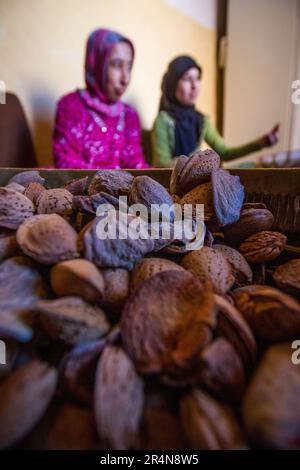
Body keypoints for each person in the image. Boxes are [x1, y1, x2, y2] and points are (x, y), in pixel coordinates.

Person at [152, 55, 279, 167]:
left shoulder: (201, 121)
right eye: (187, 79)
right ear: (172, 84)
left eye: (197, 78)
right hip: (176, 184)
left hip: (199, 178)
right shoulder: (163, 121)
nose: (194, 86)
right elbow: (162, 164)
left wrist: (260, 143)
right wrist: (200, 164)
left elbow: (225, 153)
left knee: (255, 166)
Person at [53, 28, 148, 169]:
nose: (126, 79)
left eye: (129, 67)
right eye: (116, 65)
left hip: (122, 190)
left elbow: (137, 166)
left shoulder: (130, 115)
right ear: (96, 64)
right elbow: (66, 166)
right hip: (81, 191)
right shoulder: (71, 107)